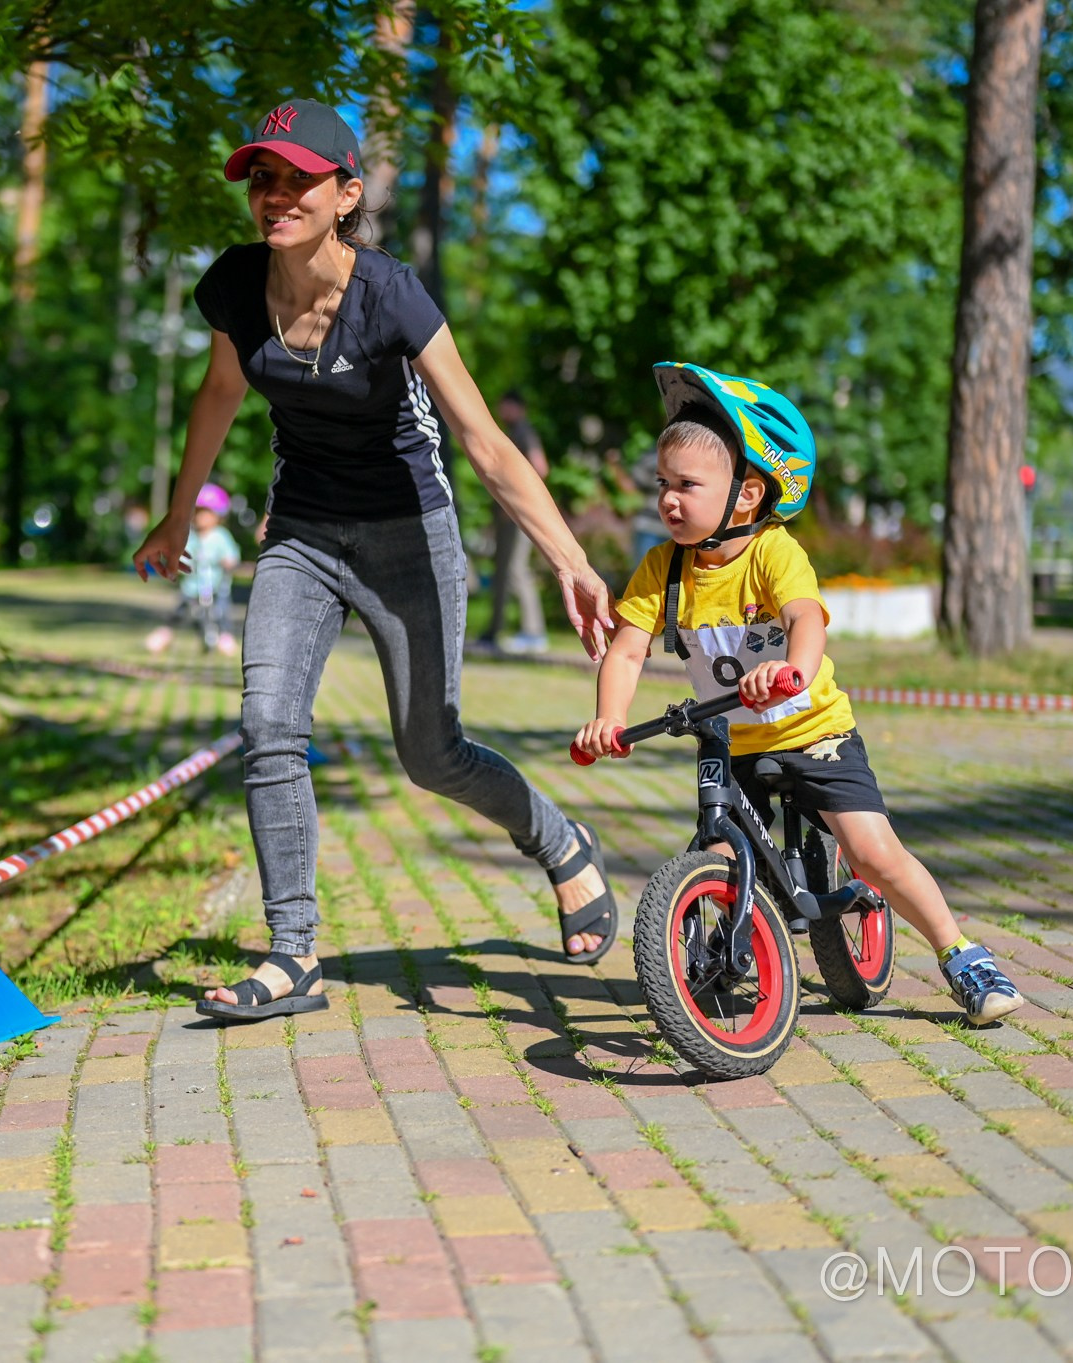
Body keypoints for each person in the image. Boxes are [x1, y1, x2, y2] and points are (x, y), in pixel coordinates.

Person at [133, 98, 620, 1021]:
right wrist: (176, 520)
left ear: (345, 193)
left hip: (409, 531)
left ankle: (560, 843)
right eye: (260, 179)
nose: (273, 195)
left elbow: (481, 440)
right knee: (269, 723)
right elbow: (220, 391)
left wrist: (569, 559)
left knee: (430, 753)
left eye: (296, 179)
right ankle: (293, 954)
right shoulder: (237, 286)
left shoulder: (390, 294)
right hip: (304, 534)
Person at [571, 363, 1024, 1025]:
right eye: (662, 484)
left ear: (748, 493)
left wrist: (791, 670)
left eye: (687, 486)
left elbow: (805, 618)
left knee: (871, 851)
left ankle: (963, 954)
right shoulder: (662, 566)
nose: (668, 499)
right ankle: (726, 955)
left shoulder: (772, 552)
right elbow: (630, 646)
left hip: (814, 733)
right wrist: (608, 717)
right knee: (716, 856)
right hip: (732, 744)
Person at [477, 391, 550, 654]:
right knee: (501, 573)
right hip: (506, 516)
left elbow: (540, 468)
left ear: (516, 407)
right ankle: (493, 631)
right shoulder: (511, 432)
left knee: (516, 570)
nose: (500, 410)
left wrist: (518, 504)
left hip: (518, 516)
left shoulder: (524, 431)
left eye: (504, 405)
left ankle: (534, 633)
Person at [145, 484, 243, 654]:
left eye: (206, 513)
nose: (200, 517)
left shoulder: (220, 536)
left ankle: (225, 638)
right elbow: (181, 554)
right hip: (192, 587)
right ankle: (164, 635)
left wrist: (228, 561)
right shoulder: (189, 535)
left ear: (218, 516)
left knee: (221, 612)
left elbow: (232, 556)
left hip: (215, 586)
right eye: (197, 512)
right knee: (179, 612)